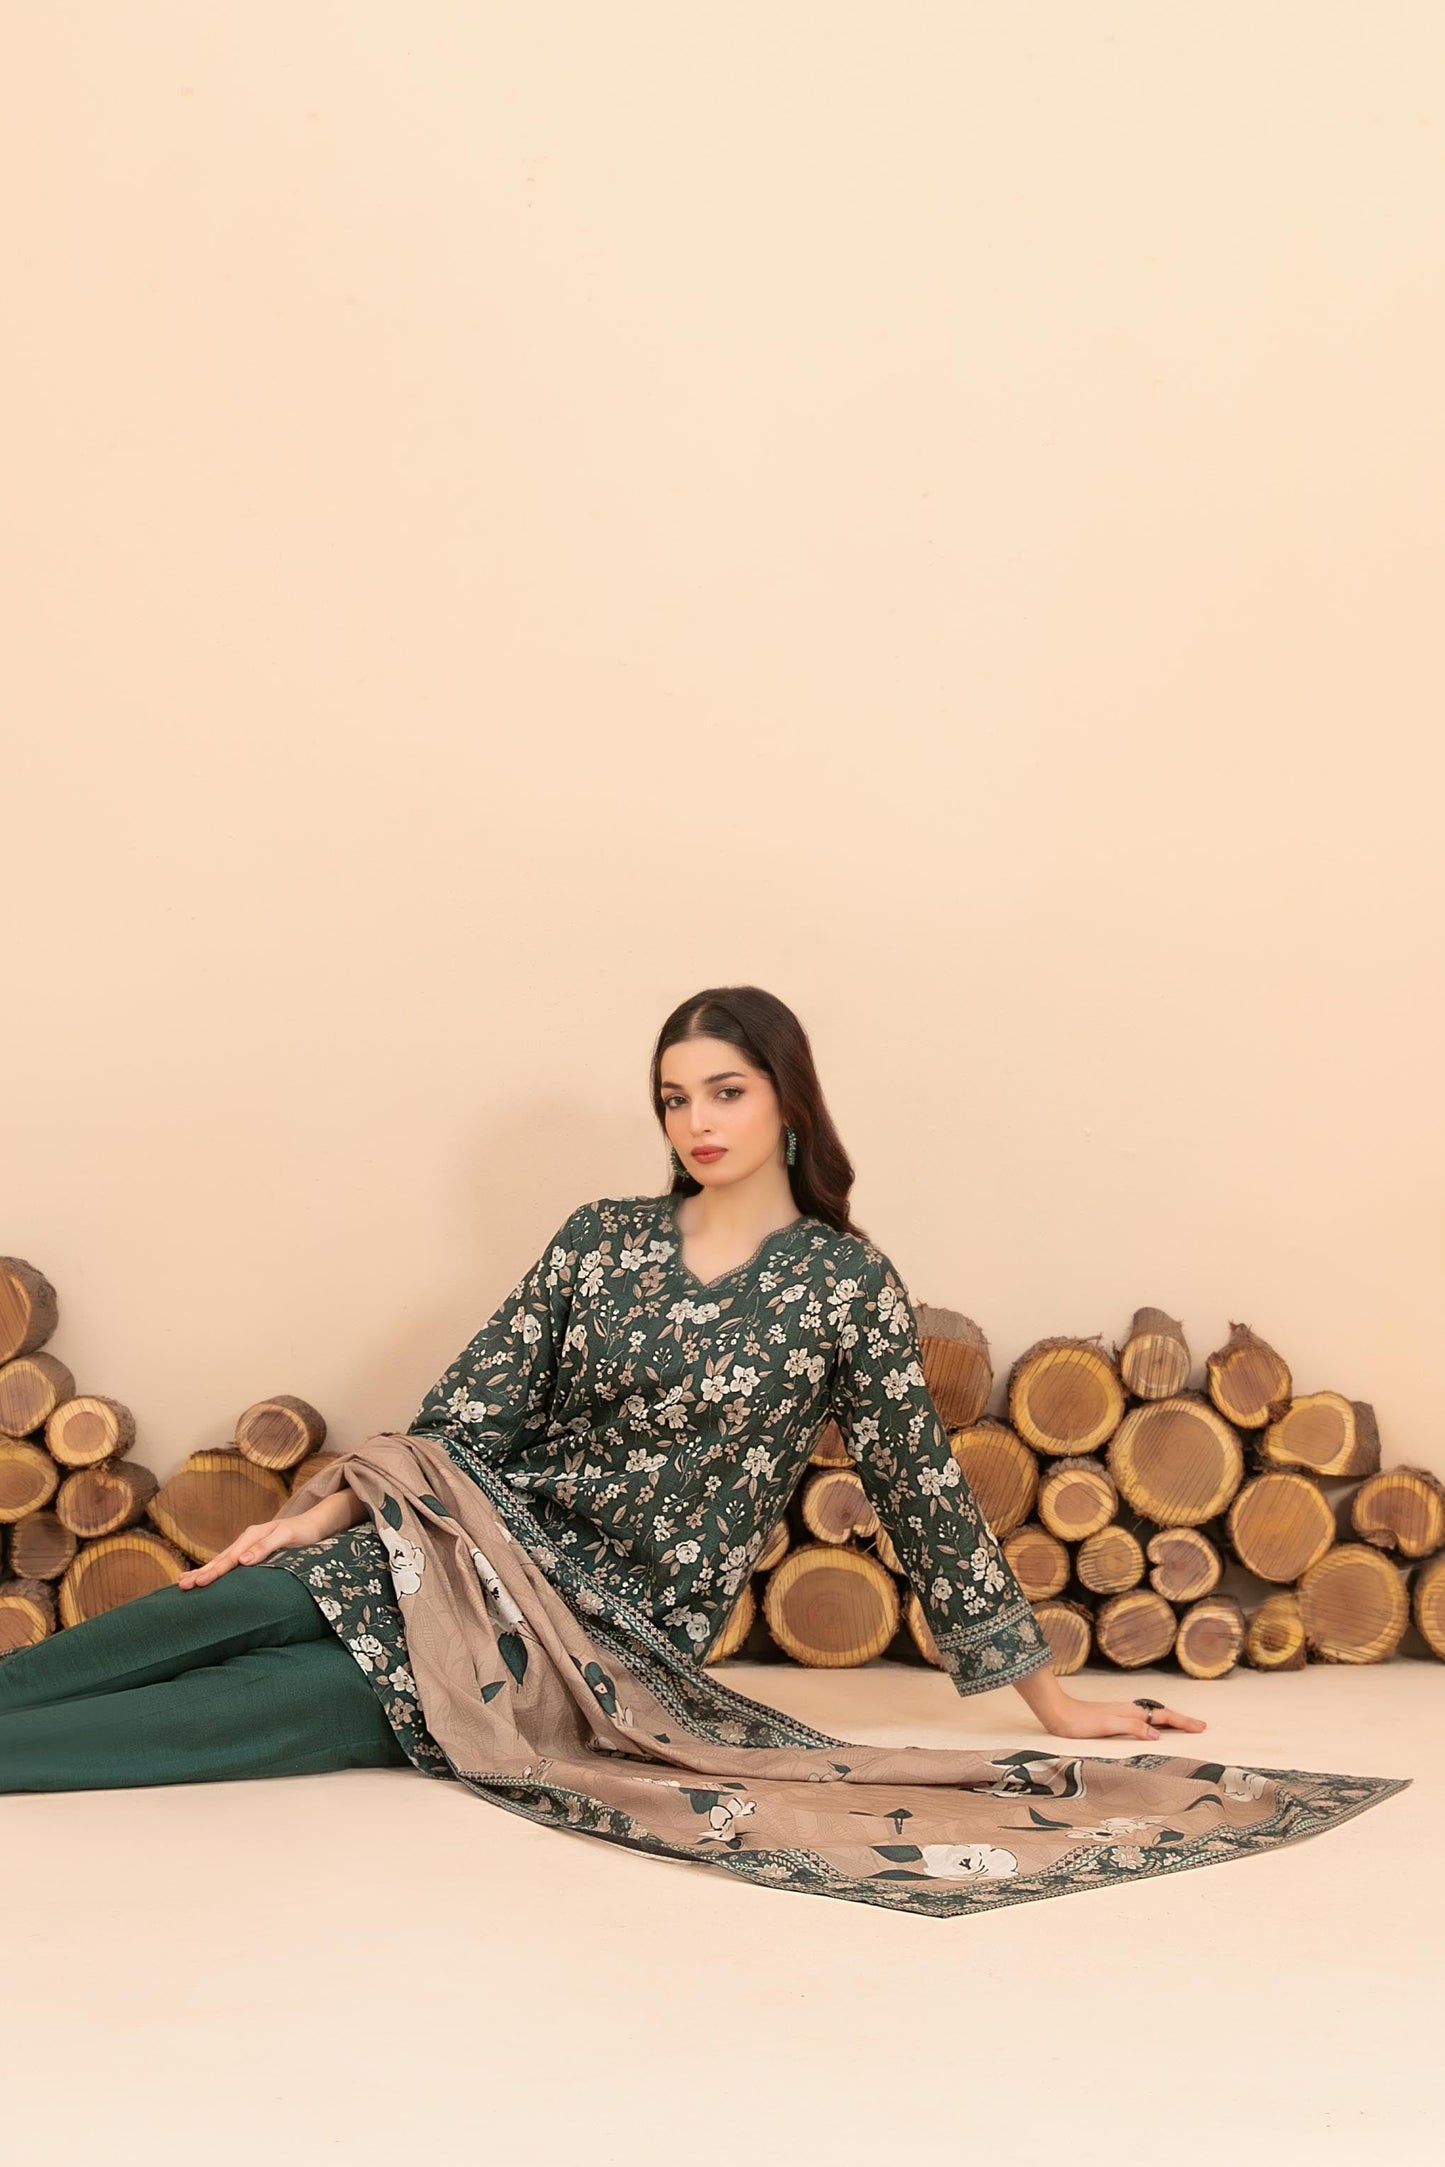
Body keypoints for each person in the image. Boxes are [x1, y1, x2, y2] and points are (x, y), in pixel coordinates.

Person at [1, 983, 1205, 1796]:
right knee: (210, 1611)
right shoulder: (601, 1238)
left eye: (722, 1090)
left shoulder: (843, 1284)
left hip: (598, 1638)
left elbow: (921, 1494)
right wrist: (308, 1519)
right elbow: (465, 1416)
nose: (695, 1120)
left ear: (786, 1095)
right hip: (465, 1547)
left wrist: (1050, 1701)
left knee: (232, 1709)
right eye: (674, 1097)